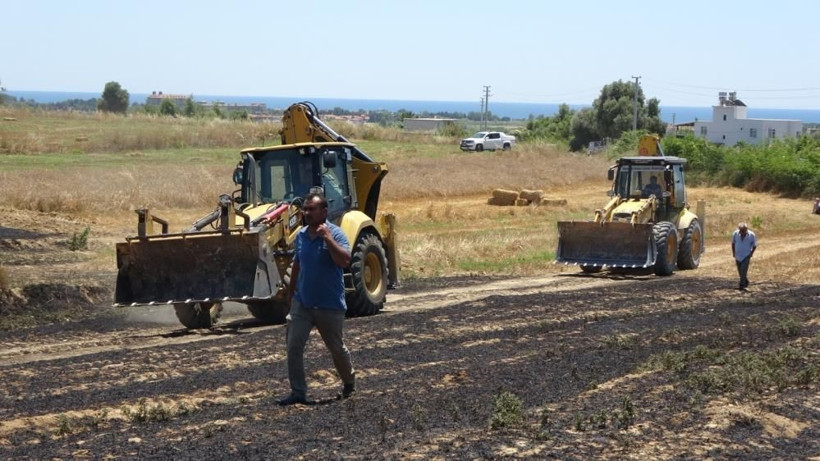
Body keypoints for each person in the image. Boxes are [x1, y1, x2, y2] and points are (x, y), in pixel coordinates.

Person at [277, 193, 355, 406]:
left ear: (324, 212)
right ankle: (298, 392)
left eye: (312, 209)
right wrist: (291, 295)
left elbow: (345, 261)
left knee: (336, 348)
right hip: (302, 303)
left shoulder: (337, 234)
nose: (307, 213)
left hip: (329, 304)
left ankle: (349, 382)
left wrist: (327, 238)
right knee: (293, 346)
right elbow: (298, 266)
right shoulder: (301, 236)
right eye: (305, 209)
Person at [731, 222, 757, 290]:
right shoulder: (735, 234)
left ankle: (742, 285)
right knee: (740, 271)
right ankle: (745, 281)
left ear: (746, 229)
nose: (742, 232)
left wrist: (751, 253)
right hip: (738, 255)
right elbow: (733, 243)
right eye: (741, 230)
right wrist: (733, 253)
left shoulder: (751, 235)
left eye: (743, 230)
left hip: (746, 255)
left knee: (743, 271)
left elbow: (754, 245)